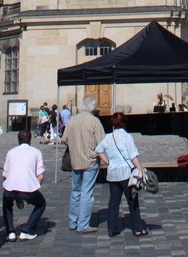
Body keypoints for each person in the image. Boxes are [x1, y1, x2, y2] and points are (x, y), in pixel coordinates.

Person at [96, 112, 147, 237]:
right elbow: (133, 155)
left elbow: (98, 150)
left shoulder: (108, 137)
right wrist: (140, 169)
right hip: (125, 173)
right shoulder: (127, 137)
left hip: (112, 174)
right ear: (124, 123)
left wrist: (108, 162)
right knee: (132, 200)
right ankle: (137, 228)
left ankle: (112, 229)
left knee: (114, 202)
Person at [61, 93, 103, 234]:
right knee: (87, 193)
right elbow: (102, 143)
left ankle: (73, 221)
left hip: (75, 160)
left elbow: (64, 139)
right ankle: (83, 224)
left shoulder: (72, 120)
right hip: (90, 161)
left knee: (75, 191)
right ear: (93, 107)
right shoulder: (94, 121)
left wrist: (74, 146)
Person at [2, 130, 46, 241]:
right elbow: (40, 176)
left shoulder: (11, 152)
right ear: (30, 140)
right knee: (41, 204)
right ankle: (27, 230)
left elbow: (5, 175)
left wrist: (17, 197)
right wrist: (34, 190)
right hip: (28, 188)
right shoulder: (36, 152)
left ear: (18, 140)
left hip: (10, 187)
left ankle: (11, 231)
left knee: (7, 205)